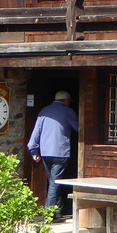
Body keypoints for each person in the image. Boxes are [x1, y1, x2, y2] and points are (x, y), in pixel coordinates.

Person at [28, 90, 79, 220]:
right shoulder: (68, 112)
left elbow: (36, 133)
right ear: (66, 101)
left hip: (45, 152)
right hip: (60, 152)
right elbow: (80, 128)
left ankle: (58, 211)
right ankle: (48, 214)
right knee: (54, 183)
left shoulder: (43, 112)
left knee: (53, 182)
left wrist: (34, 151)